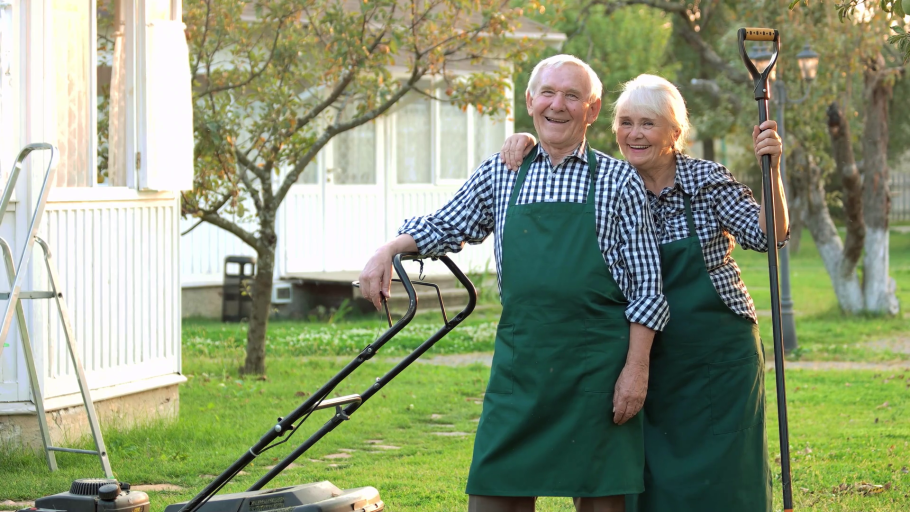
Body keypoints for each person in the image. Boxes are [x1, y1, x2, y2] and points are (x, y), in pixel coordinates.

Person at [359, 57, 669, 512]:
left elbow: (648, 289)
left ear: (593, 108)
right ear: (529, 101)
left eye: (572, 96)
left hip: (597, 371)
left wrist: (636, 371)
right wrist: (388, 249)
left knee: (602, 503)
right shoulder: (503, 171)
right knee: (492, 498)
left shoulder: (619, 180)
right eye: (547, 92)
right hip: (520, 368)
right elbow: (449, 223)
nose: (557, 105)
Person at [499, 73, 787, 512]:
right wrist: (525, 140)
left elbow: (768, 237)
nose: (634, 134)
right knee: (647, 479)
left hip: (717, 360)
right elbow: (558, 144)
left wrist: (774, 172)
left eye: (648, 124)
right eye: (626, 122)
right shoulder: (609, 183)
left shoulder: (706, 181)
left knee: (725, 481)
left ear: (675, 133)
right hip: (643, 356)